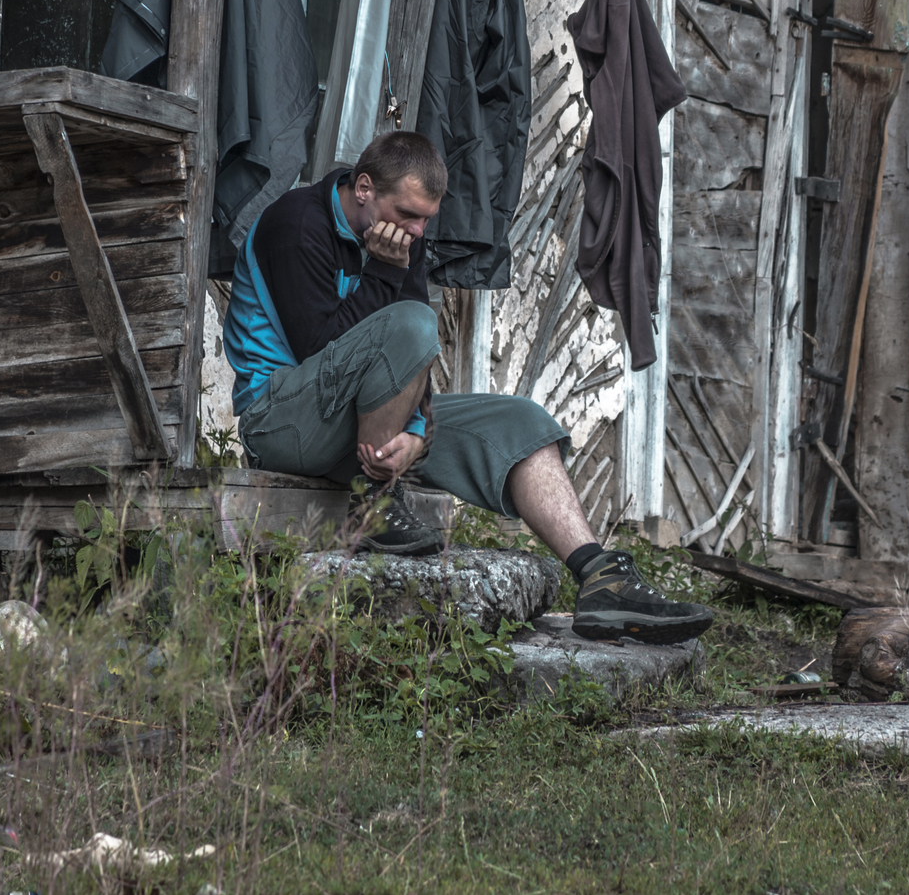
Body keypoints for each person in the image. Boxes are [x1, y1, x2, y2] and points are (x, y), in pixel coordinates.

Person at [224, 131, 713, 644]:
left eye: (425, 220)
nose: (415, 231)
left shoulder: (399, 237)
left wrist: (415, 433)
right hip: (282, 422)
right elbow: (321, 350)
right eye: (407, 213)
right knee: (411, 321)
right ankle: (376, 500)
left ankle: (599, 578)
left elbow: (412, 357)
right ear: (363, 187)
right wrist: (386, 276)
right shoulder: (297, 224)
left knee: (524, 425)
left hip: (361, 428)